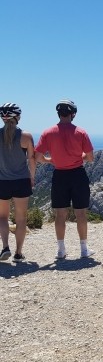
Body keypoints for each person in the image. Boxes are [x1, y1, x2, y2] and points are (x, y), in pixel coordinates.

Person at [35, 100, 95, 259]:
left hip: (59, 176)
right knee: (81, 213)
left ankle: (61, 250)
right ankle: (84, 249)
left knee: (60, 214)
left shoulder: (47, 133)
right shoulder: (81, 132)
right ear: (73, 114)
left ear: (58, 113)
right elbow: (90, 157)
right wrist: (79, 156)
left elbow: (39, 157)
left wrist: (51, 160)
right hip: (78, 175)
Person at [0, 103, 36, 263]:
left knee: (2, 217)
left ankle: (5, 247)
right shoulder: (26, 136)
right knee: (21, 219)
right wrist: (32, 177)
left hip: (2, 181)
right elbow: (32, 160)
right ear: (17, 117)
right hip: (21, 181)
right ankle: (18, 253)